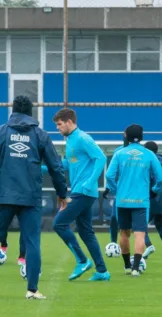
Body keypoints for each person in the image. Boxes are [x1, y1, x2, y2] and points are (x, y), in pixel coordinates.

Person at [0, 96, 68, 300]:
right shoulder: (40, 135)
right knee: (32, 243)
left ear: (13, 111)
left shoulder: (0, 132)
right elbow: (55, 167)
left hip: (3, 195)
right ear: (31, 112)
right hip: (30, 197)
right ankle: (32, 290)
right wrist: (62, 193)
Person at [52, 108, 110, 281]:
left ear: (69, 122)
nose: (57, 128)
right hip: (80, 191)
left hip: (83, 192)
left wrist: (90, 182)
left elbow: (101, 158)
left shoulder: (83, 138)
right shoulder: (70, 140)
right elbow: (68, 165)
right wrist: (42, 168)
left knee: (59, 224)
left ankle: (82, 260)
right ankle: (102, 271)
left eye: (59, 124)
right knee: (86, 232)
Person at [105, 124, 162, 276]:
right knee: (140, 234)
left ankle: (126, 266)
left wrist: (116, 190)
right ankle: (136, 268)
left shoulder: (119, 154)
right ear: (142, 137)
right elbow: (161, 178)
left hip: (122, 201)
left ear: (126, 136)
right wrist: (154, 191)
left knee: (124, 233)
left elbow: (109, 176)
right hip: (141, 201)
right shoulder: (149, 154)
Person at [142, 140, 162, 259]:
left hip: (151, 197)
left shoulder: (148, 161)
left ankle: (148, 245)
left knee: (139, 225)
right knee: (160, 226)